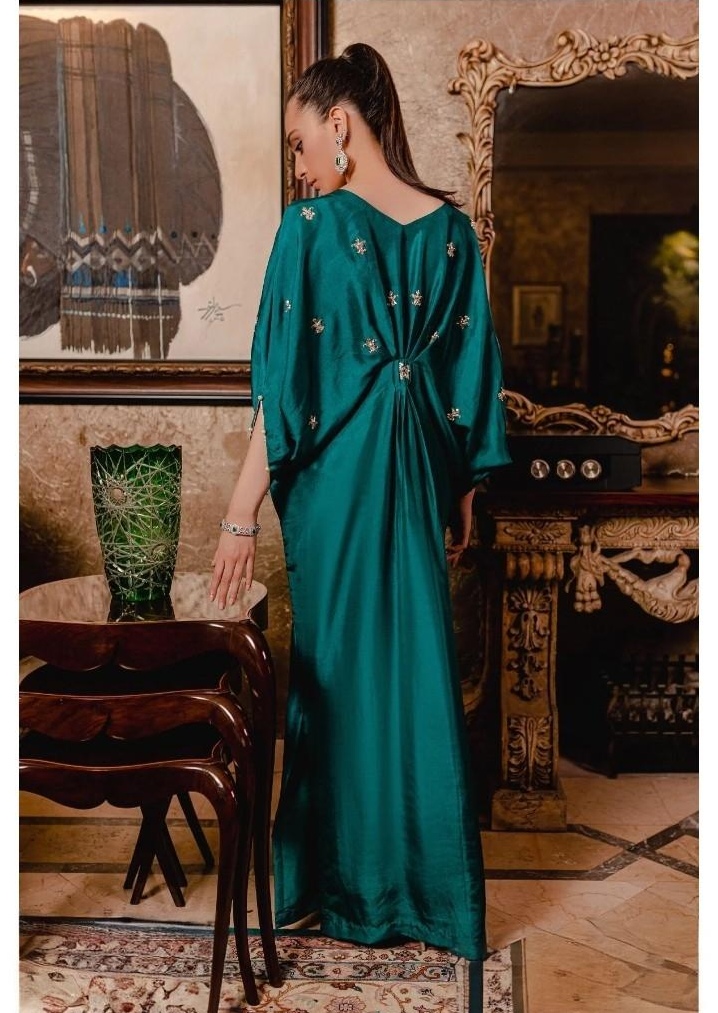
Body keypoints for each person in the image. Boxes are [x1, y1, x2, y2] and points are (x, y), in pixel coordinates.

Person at [210, 43, 511, 962]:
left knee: (337, 681)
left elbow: (281, 399)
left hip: (339, 490)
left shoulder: (309, 230)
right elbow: (466, 381)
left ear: (339, 123)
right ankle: (430, 898)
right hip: (419, 482)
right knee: (415, 675)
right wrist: (461, 492)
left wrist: (239, 516)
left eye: (300, 143)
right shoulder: (454, 234)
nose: (299, 167)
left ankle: (338, 887)